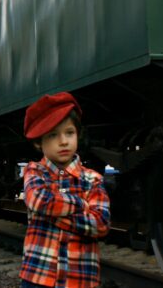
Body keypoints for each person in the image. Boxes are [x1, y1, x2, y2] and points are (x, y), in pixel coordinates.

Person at [19, 92, 110, 288]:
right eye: (53, 135)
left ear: (78, 134)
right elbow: (41, 201)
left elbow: (101, 224)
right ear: (38, 142)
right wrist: (82, 204)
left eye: (69, 133)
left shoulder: (93, 178)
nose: (63, 141)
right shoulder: (34, 171)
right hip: (39, 276)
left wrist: (49, 214)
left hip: (79, 280)